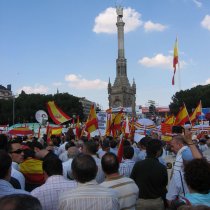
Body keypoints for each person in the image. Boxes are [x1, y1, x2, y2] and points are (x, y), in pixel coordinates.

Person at [130, 139, 168, 210]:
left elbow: (132, 181)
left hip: (141, 202)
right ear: (158, 151)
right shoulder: (161, 167)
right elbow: (164, 185)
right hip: (157, 202)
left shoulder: (138, 165)